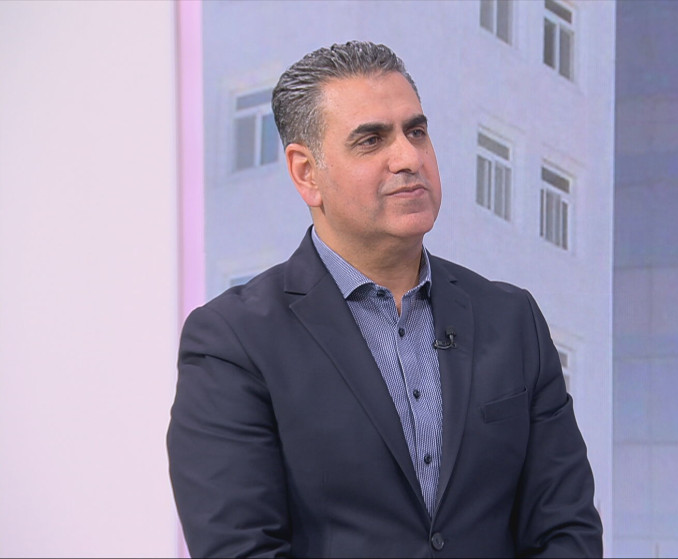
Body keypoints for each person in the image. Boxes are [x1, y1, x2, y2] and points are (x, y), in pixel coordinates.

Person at [167, 41, 602, 558]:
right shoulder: (233, 341)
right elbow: (240, 547)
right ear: (307, 173)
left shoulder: (512, 320)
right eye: (371, 140)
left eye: (416, 132)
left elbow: (566, 530)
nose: (409, 158)